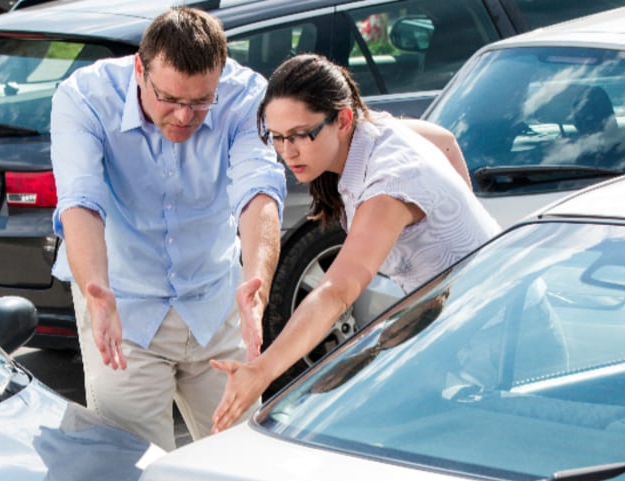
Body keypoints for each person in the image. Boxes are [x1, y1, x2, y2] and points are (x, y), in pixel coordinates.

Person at [210, 53, 498, 432]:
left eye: (300, 135)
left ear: (342, 119)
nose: (287, 152)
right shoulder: (374, 129)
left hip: (497, 340)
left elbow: (337, 291)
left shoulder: (390, 183)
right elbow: (443, 141)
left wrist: (262, 371)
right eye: (277, 137)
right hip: (452, 323)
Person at [49, 6, 286, 451]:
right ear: (140, 69)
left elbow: (259, 191)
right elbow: (81, 200)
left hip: (214, 304)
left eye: (201, 102)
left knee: (241, 463)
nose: (184, 116)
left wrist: (257, 285)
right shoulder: (83, 97)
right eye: (171, 99)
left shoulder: (245, 95)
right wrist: (96, 290)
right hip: (122, 312)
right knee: (134, 480)